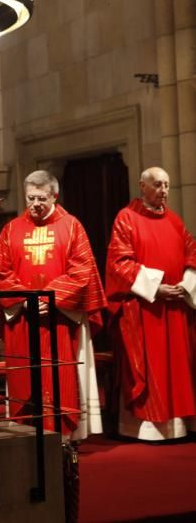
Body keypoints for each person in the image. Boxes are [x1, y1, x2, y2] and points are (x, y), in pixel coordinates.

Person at [0, 170, 107, 439]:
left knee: (60, 379)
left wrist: (48, 299)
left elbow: (82, 271)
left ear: (54, 195)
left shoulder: (72, 226)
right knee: (25, 378)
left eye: (41, 198)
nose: (35, 204)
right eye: (30, 198)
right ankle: (25, 434)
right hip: (24, 318)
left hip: (60, 319)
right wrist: (26, 300)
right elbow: (1, 274)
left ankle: (64, 437)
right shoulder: (11, 229)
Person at [105, 166, 196, 442]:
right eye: (157, 185)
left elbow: (192, 252)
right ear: (142, 187)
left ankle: (178, 425)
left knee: (177, 368)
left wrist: (186, 283)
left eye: (167, 185)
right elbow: (119, 263)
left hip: (175, 308)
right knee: (150, 367)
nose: (164, 191)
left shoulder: (175, 221)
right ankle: (144, 429)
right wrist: (156, 288)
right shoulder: (126, 218)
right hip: (144, 310)